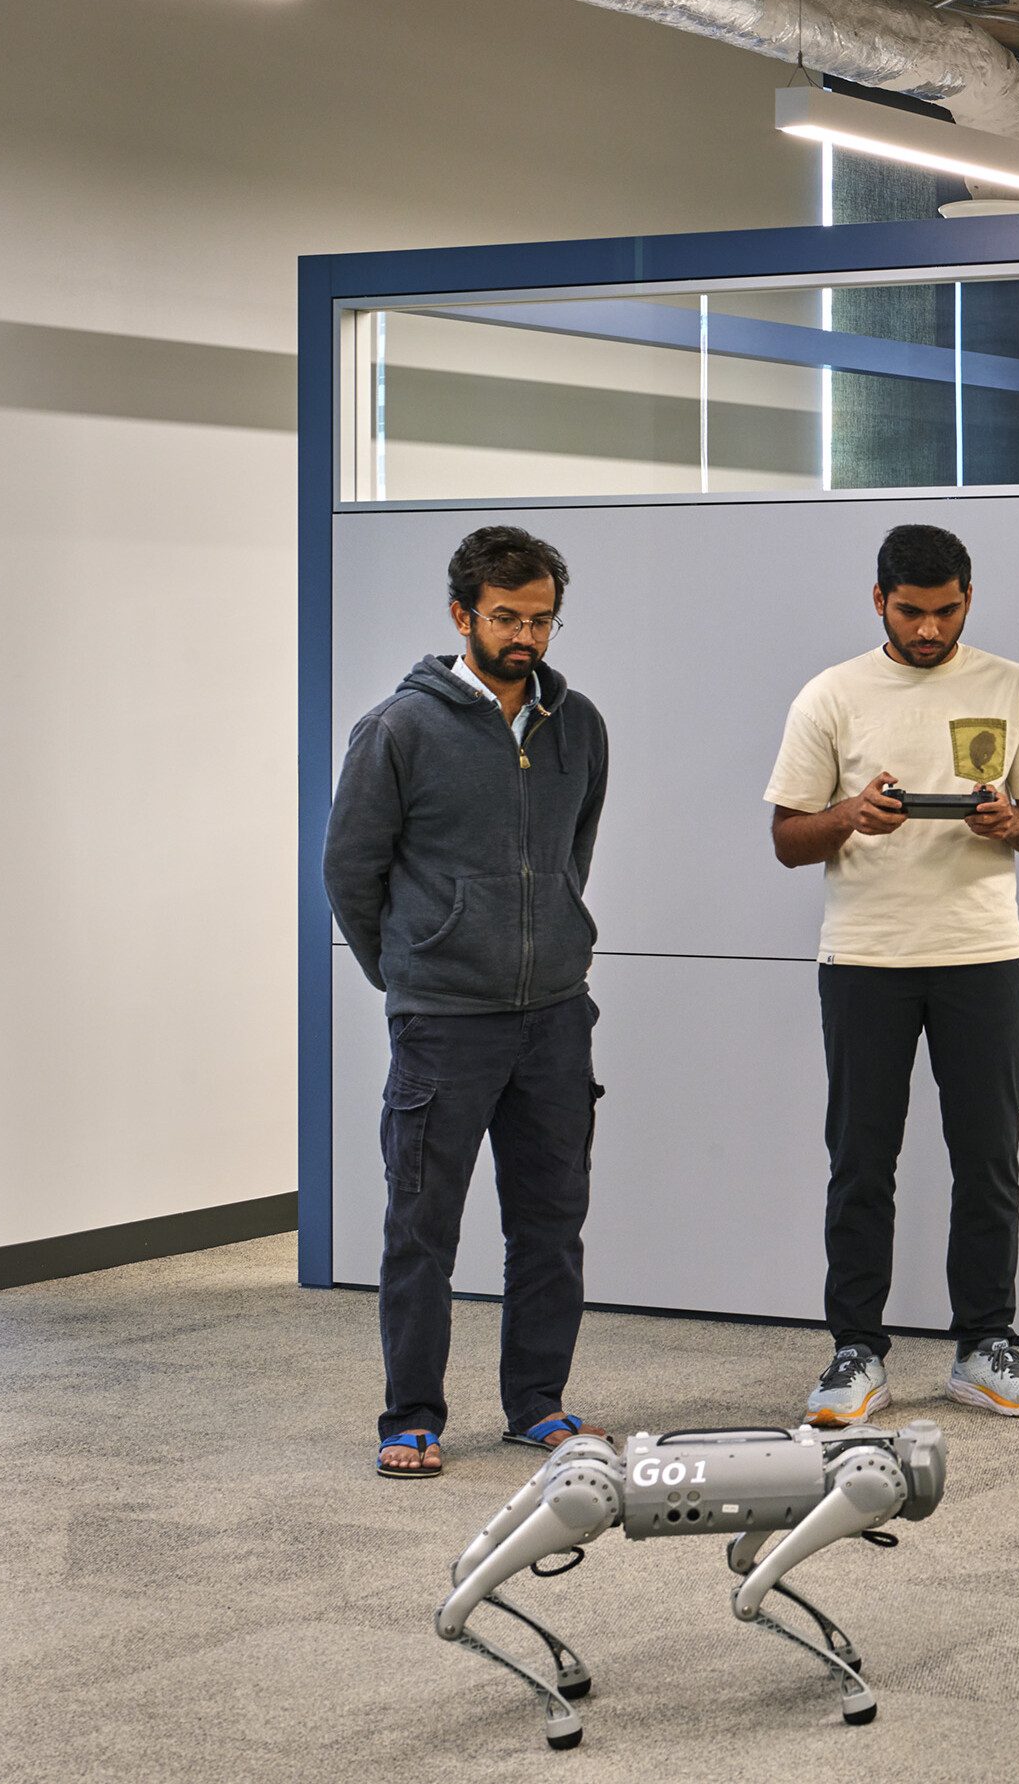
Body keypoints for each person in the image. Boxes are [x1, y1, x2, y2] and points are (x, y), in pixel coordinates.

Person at [766, 524, 1019, 1425]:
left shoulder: (1013, 686)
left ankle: (984, 1345)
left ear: (967, 599)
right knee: (862, 1161)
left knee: (989, 1159)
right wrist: (852, 816)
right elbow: (787, 839)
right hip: (866, 959)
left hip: (982, 953)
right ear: (878, 603)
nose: (929, 629)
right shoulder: (832, 695)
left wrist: (1011, 824)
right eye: (912, 612)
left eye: (945, 612)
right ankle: (855, 1350)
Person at [324, 525, 610, 1479]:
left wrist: (551, 937)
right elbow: (350, 875)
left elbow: (573, 854)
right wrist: (417, 968)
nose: (526, 635)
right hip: (445, 1023)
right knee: (421, 1227)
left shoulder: (580, 726)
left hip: (555, 1018)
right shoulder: (398, 730)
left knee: (550, 1224)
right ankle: (410, 1417)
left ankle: (538, 1405)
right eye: (506, 617)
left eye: (542, 619)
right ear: (462, 616)